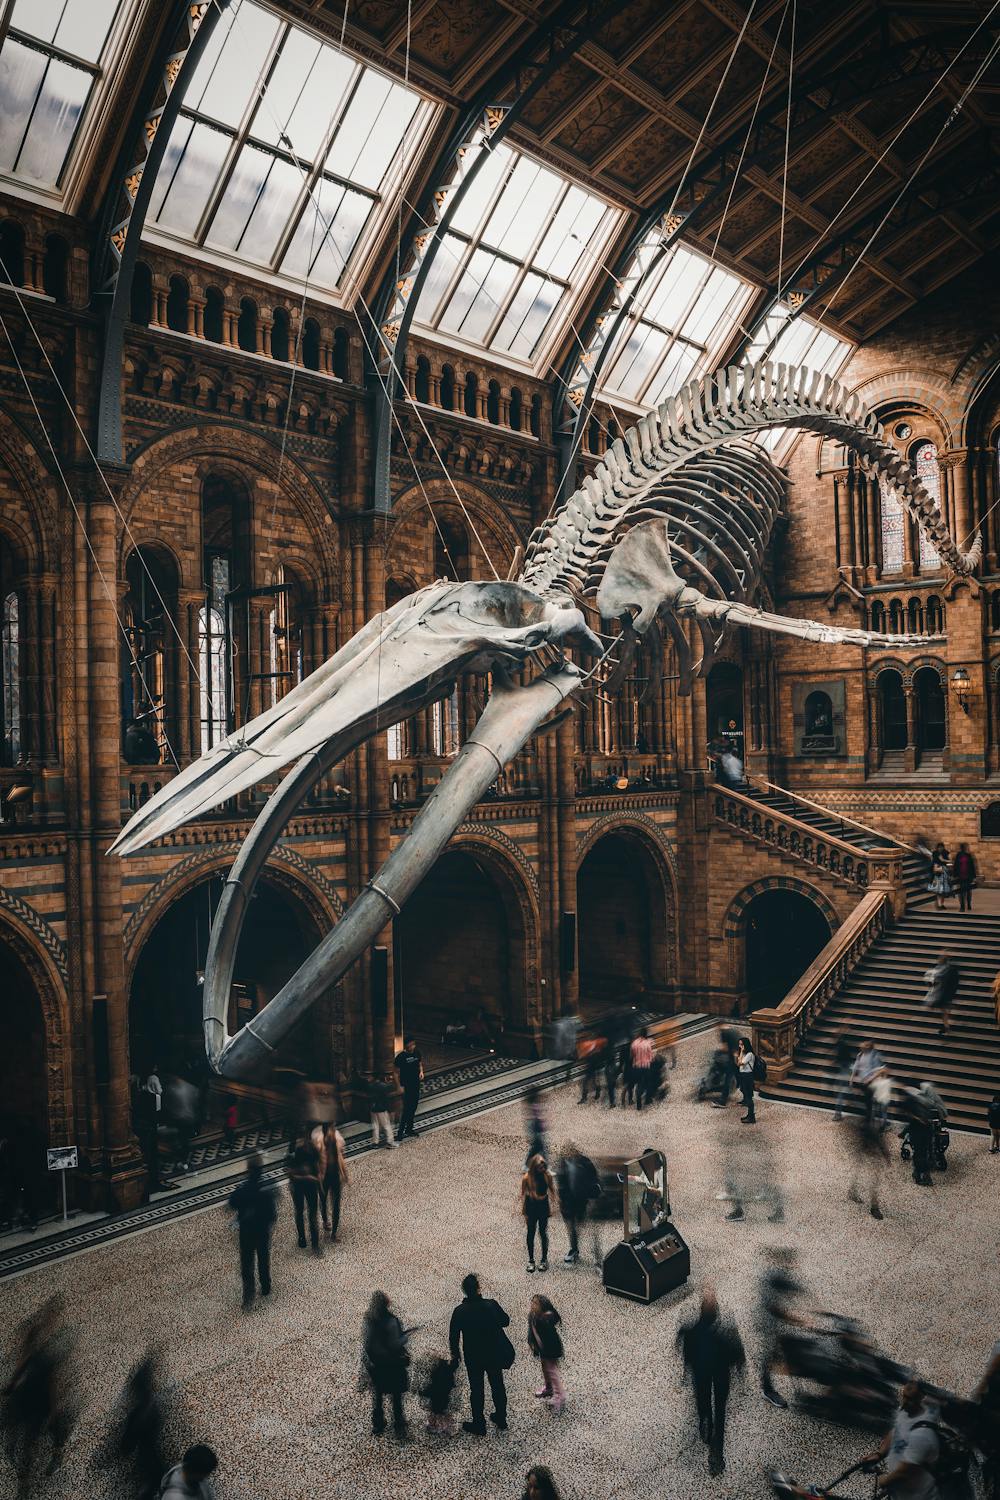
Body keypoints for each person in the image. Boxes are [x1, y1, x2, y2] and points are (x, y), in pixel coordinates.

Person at [2, 1299, 74, 1499]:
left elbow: (51, 1385)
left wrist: (54, 1409)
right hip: (32, 1401)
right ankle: (27, 1480)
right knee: (31, 1441)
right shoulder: (36, 1352)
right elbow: (22, 1369)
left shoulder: (41, 1355)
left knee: (40, 1436)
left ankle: (55, 1456)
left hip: (36, 1402)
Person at [677, 1284, 746, 1475]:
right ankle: (717, 1452)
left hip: (701, 1373)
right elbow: (736, 1355)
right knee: (720, 1409)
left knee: (703, 1399)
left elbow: (686, 1353)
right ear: (717, 1313)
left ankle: (704, 1422)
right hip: (721, 1375)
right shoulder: (726, 1331)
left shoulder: (691, 1330)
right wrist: (740, 1370)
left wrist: (686, 1371)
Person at [448, 1272, 513, 1434]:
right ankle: (501, 1417)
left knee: (476, 1389)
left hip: (473, 1356)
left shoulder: (459, 1311)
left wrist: (455, 1355)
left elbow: (453, 1337)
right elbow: (506, 1321)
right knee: (497, 1385)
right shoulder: (491, 1305)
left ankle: (479, 1423)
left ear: (464, 1291)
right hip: (493, 1353)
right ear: (478, 1288)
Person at [861, 1381, 940, 1499]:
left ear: (921, 1399)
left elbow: (904, 1473)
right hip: (899, 1491)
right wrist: (880, 1454)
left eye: (910, 1399)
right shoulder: (905, 1410)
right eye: (904, 1396)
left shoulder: (923, 1435)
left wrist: (884, 1480)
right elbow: (895, 1431)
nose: (905, 1402)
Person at [757, 1248, 805, 1409]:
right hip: (771, 1326)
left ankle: (797, 1390)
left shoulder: (780, 1274)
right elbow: (773, 1308)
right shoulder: (770, 1279)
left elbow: (791, 1287)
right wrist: (796, 1320)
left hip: (780, 1326)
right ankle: (767, 1389)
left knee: (781, 1355)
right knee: (772, 1356)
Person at [228, 1153, 276, 1305]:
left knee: (247, 1262)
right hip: (262, 1230)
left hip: (247, 1231)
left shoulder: (243, 1189)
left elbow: (232, 1203)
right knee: (263, 1258)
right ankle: (265, 1285)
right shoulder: (266, 1190)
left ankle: (249, 1294)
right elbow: (272, 1214)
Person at [362, 1291, 410, 1438]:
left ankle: (378, 1424)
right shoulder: (391, 1321)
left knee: (377, 1395)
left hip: (376, 1365)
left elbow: (367, 1342)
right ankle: (398, 1425)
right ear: (386, 1304)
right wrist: (407, 1335)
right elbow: (396, 1343)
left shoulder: (368, 1320)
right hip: (392, 1364)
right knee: (396, 1396)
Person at [557, 1142, 601, 1264]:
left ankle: (597, 1258)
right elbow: (560, 1183)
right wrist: (562, 1201)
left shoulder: (585, 1162)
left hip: (584, 1201)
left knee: (591, 1231)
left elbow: (595, 1179)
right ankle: (574, 1250)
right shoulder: (563, 1164)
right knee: (572, 1229)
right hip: (569, 1203)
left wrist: (593, 1197)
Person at [528, 1294, 565, 1414]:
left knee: (552, 1371)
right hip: (542, 1349)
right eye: (532, 1302)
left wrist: (547, 1317)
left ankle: (559, 1396)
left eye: (536, 1304)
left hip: (551, 1349)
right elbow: (532, 1332)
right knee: (545, 1368)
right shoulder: (533, 1316)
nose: (532, 1305)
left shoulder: (546, 1318)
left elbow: (552, 1323)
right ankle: (549, 1388)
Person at [521, 1153, 555, 1273]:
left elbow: (552, 1191)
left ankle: (544, 1260)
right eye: (540, 1166)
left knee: (542, 1232)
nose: (543, 1168)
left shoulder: (547, 1176)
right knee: (531, 1233)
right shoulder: (527, 1178)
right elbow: (523, 1194)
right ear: (534, 1166)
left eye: (543, 1166)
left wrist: (553, 1206)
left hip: (543, 1206)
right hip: (531, 1206)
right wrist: (524, 1211)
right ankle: (531, 1260)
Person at [286, 1143, 321, 1254]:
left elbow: (318, 1166)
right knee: (301, 1212)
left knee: (311, 1215)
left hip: (308, 1186)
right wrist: (307, 1177)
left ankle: (314, 1243)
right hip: (299, 1186)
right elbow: (290, 1173)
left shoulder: (313, 1149)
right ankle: (303, 1238)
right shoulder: (294, 1152)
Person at [321, 1121, 349, 1240]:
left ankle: (332, 1230)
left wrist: (345, 1174)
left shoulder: (335, 1140)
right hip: (327, 1177)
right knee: (325, 1201)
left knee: (334, 1203)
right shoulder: (321, 1142)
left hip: (331, 1176)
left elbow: (341, 1158)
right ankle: (326, 1222)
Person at [922, 953, 960, 1036]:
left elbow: (939, 980)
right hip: (945, 994)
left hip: (943, 994)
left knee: (943, 1011)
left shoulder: (945, 969)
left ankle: (946, 1027)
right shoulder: (946, 969)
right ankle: (946, 1026)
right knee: (944, 1011)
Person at [395, 1037, 424, 1140]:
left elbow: (420, 1063)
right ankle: (400, 1132)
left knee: (413, 1107)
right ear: (406, 1045)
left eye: (414, 1044)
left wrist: (421, 1071)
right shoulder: (401, 1057)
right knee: (407, 1109)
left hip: (415, 1084)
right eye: (411, 1045)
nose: (413, 1047)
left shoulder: (417, 1052)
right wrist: (399, 1086)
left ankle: (409, 1129)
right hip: (406, 1085)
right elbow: (396, 1072)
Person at [420, 1355, 456, 1435]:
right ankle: (446, 1428)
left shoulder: (435, 1375)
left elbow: (430, 1388)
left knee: (435, 1413)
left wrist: (423, 1392)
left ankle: (434, 1427)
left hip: (435, 1400)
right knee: (444, 1413)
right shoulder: (449, 1374)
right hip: (445, 1399)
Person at [832, 1031, 858, 1120]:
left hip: (844, 1069)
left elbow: (840, 1058)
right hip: (846, 1068)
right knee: (844, 1089)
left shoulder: (841, 1045)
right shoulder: (843, 1045)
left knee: (841, 1092)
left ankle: (838, 1114)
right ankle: (852, 1099)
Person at [368, 1073, 396, 1148]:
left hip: (373, 1108)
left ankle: (375, 1142)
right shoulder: (384, 1086)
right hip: (381, 1109)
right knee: (386, 1125)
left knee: (375, 1125)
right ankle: (390, 1142)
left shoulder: (370, 1086)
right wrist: (389, 1109)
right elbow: (386, 1099)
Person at [630, 1027, 655, 1112]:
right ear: (646, 1034)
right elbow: (651, 1057)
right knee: (648, 1083)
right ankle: (648, 1099)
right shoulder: (647, 1044)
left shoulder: (634, 1043)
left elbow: (632, 1055)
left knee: (639, 1083)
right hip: (646, 1067)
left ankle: (638, 1104)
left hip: (637, 1067)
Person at [736, 1036, 756, 1123]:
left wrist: (741, 1052)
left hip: (748, 1076)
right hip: (743, 1075)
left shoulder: (749, 1055)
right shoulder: (744, 1054)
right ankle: (749, 1115)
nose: (740, 1046)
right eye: (739, 1044)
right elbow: (738, 1063)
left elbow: (740, 1063)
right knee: (744, 1091)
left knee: (749, 1096)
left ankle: (751, 1116)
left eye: (742, 1045)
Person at [928, 842, 953, 910]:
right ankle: (939, 904)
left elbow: (950, 861)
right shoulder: (935, 853)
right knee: (938, 890)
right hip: (937, 874)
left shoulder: (945, 853)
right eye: (939, 847)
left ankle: (941, 904)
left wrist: (944, 860)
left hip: (943, 873)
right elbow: (933, 862)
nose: (940, 849)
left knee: (942, 891)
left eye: (941, 847)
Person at [953, 843, 977, 911]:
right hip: (961, 876)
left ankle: (969, 904)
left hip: (968, 876)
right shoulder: (959, 855)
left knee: (968, 891)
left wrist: (974, 876)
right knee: (961, 891)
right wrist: (955, 875)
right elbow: (956, 865)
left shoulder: (969, 855)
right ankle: (962, 906)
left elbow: (972, 866)